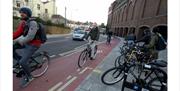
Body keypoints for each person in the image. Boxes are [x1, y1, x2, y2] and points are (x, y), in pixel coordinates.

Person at [13, 7, 42, 87]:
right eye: (21, 12)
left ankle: (29, 76)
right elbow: (17, 33)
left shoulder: (33, 23)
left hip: (34, 44)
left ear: (28, 14)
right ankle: (21, 61)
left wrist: (20, 41)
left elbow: (30, 37)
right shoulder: (23, 23)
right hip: (26, 42)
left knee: (23, 62)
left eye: (23, 12)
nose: (21, 14)